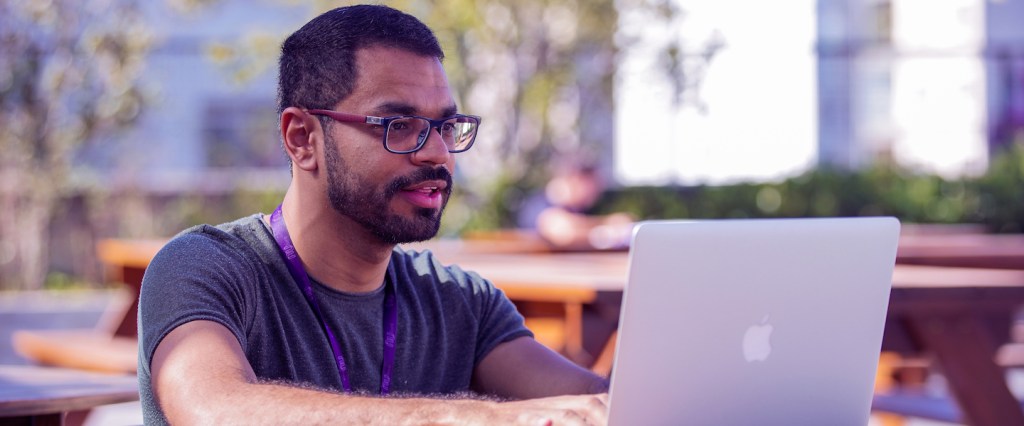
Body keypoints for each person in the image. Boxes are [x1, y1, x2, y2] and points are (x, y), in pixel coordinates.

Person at [138, 5, 608, 425]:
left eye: (445, 126)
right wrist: (472, 417)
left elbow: (594, 402)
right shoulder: (204, 269)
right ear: (303, 138)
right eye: (398, 126)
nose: (438, 153)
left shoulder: (461, 304)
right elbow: (214, 411)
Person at [518, 161, 634, 251]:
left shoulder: (576, 209)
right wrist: (607, 227)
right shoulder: (540, 205)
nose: (596, 192)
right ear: (576, 179)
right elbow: (564, 233)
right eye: (592, 186)